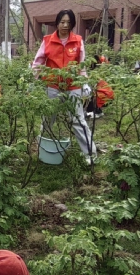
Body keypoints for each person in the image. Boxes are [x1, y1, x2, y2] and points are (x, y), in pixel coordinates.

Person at [31, 10, 96, 164]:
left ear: (72, 24)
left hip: (73, 87)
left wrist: (84, 82)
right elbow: (38, 62)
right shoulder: (47, 41)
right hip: (52, 86)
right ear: (57, 23)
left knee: (78, 120)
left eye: (68, 22)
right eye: (62, 22)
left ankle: (90, 154)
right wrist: (34, 80)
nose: (65, 25)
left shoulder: (78, 41)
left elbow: (82, 64)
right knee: (48, 118)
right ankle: (43, 150)